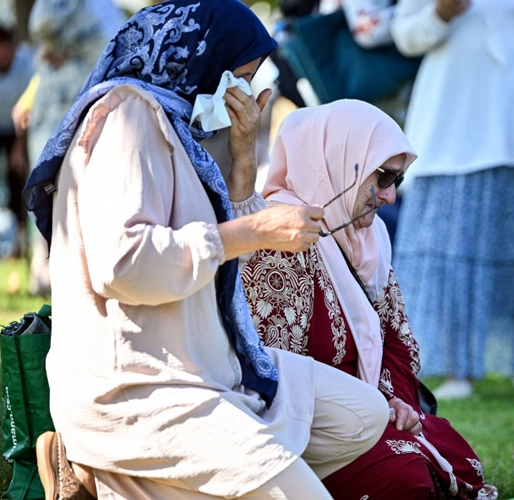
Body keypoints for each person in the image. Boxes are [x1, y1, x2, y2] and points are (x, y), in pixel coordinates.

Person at [24, 1, 389, 497]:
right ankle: (101, 465)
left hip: (210, 365)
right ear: (204, 57)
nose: (244, 92)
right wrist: (255, 230)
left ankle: (115, 480)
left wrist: (243, 159)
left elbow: (225, 267)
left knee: (362, 415)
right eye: (238, 75)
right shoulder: (127, 117)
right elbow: (123, 264)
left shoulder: (182, 124)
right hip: (142, 389)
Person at [241, 99, 497, 500]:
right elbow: (272, 368)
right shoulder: (281, 238)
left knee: (454, 455)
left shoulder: (369, 238)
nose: (390, 196)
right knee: (407, 477)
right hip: (313, 423)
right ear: (336, 162)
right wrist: (367, 404)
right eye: (383, 177)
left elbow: (399, 341)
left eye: (397, 180)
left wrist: (394, 402)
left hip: (372, 408)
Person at [389, 0, 514, 403]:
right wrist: (443, 11)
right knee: (449, 252)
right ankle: (455, 368)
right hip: (451, 129)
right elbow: (405, 38)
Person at [14, 0, 121, 295]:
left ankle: (73, 275)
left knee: (72, 195)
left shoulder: (93, 7)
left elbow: (44, 25)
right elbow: (45, 31)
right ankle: (50, 274)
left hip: (81, 111)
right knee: (51, 192)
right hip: (65, 111)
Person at [0, 25, 33, 256]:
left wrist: (19, 149)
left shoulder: (28, 65)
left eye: (6, 50)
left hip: (18, 129)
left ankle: (20, 243)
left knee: (18, 180)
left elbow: (28, 111)